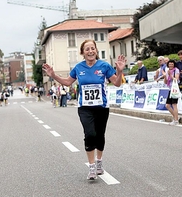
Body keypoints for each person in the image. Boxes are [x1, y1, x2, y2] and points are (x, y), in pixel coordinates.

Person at [43, 39, 125, 180]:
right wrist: (54, 75)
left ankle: (99, 162)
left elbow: (117, 84)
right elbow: (68, 82)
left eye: (92, 48)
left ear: (96, 51)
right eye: (87, 49)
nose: (90, 51)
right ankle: (92, 167)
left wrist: (119, 71)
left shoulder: (104, 66)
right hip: (85, 108)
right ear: (82, 53)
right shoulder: (78, 68)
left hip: (101, 107)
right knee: (90, 134)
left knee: (100, 135)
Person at [163, 60, 180, 126]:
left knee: (174, 104)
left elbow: (176, 79)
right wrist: (165, 76)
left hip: (175, 89)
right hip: (170, 89)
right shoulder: (167, 71)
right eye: (169, 64)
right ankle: (176, 117)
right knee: (167, 105)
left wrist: (171, 75)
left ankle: (176, 120)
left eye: (172, 64)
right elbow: (166, 82)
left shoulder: (176, 70)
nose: (170, 65)